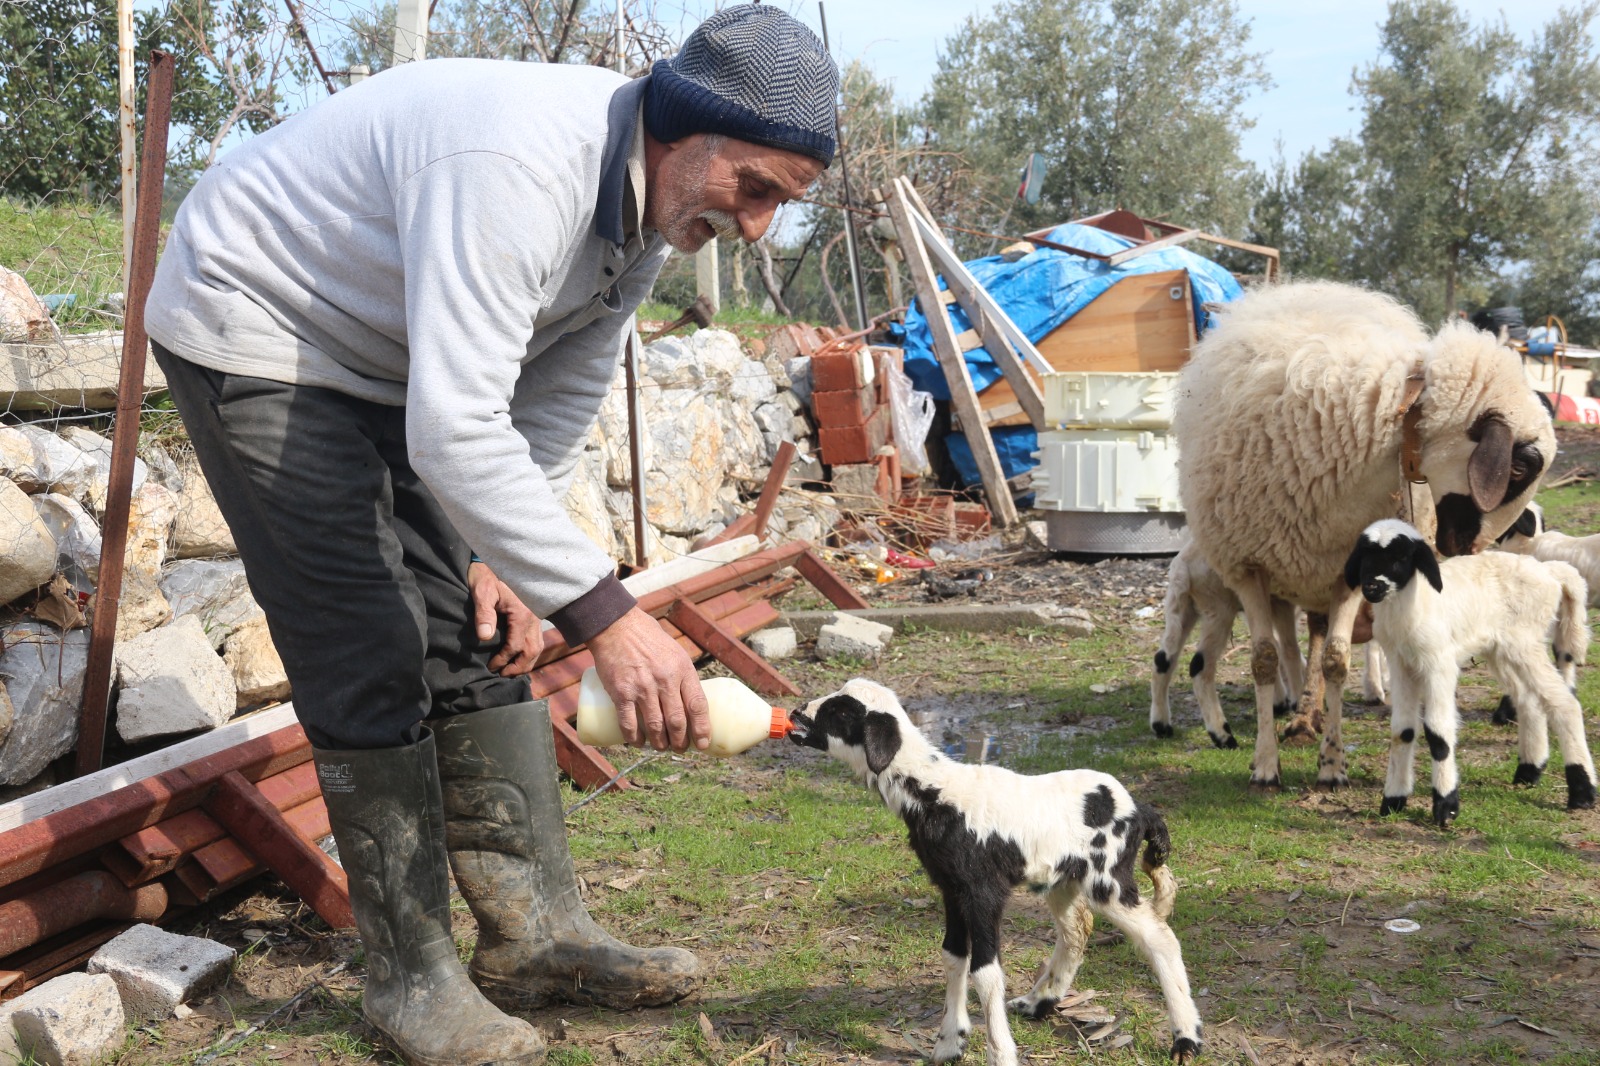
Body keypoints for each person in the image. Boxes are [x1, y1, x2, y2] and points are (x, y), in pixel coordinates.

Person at [143, 7, 837, 1064]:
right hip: (265, 320)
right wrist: (609, 614)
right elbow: (456, 424)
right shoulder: (519, 163)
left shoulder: (648, 209)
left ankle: (536, 936)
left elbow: (554, 389)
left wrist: (514, 563)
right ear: (685, 126)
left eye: (779, 206)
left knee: (479, 630)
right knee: (365, 637)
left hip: (391, 350)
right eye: (753, 191)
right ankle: (410, 978)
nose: (755, 229)